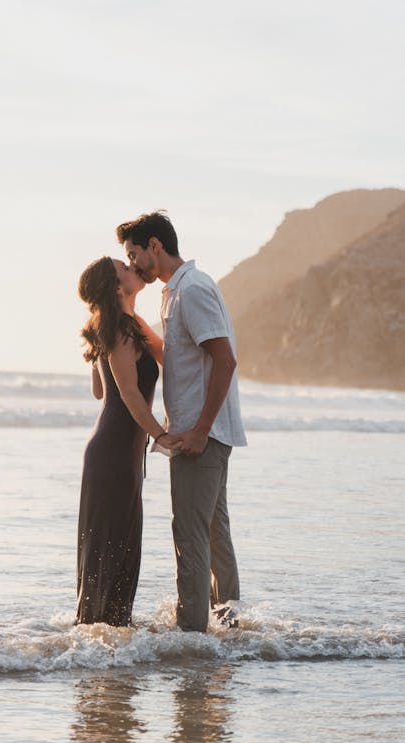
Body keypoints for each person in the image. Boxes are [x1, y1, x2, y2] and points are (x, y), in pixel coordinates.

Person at [116, 212, 247, 632]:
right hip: (201, 432)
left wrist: (201, 430)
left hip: (199, 436)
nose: (134, 264)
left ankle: (191, 638)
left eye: (134, 254)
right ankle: (227, 628)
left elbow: (225, 360)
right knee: (212, 533)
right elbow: (171, 355)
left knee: (190, 537)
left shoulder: (192, 290)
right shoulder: (174, 292)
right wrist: (128, 312)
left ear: (155, 246)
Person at [75, 256, 180, 627]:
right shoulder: (119, 328)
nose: (132, 266)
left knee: (115, 546)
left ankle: (106, 637)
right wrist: (162, 434)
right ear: (117, 285)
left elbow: (98, 388)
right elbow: (130, 395)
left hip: (116, 451)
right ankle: (103, 634)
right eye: (124, 265)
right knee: (113, 546)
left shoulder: (124, 325)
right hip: (116, 452)